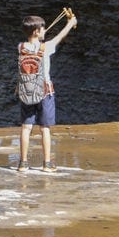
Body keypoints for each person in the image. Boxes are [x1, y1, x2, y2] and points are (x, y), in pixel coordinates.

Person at [17, 11, 77, 172]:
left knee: (26, 127)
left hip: (26, 92)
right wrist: (70, 23)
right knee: (45, 128)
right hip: (45, 92)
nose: (45, 31)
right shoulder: (47, 47)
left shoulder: (21, 47)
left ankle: (22, 164)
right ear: (36, 31)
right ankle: (47, 164)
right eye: (42, 29)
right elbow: (60, 37)